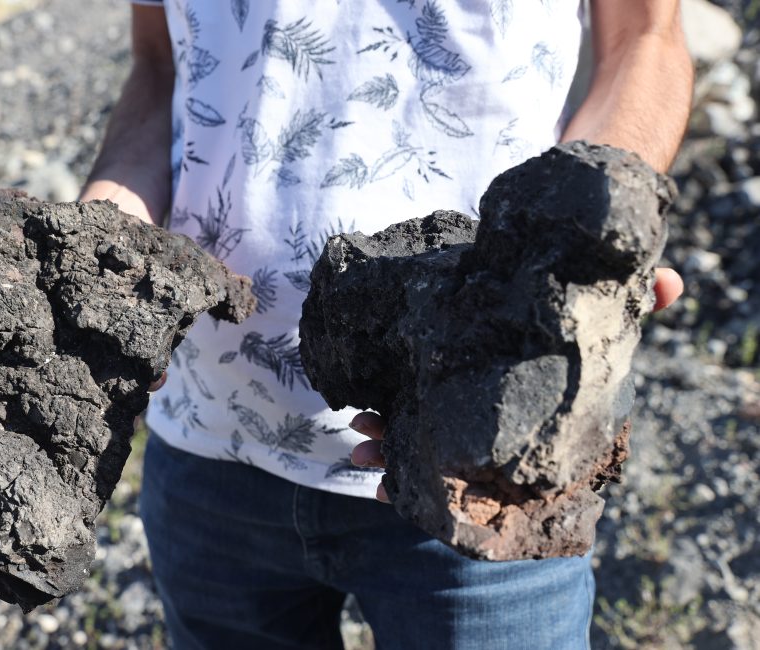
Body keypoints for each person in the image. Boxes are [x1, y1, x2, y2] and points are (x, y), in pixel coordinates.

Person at [79, 1, 691, 648]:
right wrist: (100, 236)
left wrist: (594, 231)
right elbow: (160, 65)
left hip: (481, 449)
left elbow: (643, 40)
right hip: (208, 438)